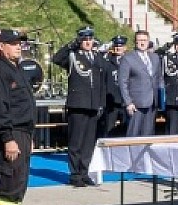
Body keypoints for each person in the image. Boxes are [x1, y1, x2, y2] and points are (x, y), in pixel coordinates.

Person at [0, 28, 37, 205]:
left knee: (19, 182)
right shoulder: (0, 71)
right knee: (9, 181)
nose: (19, 46)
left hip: (22, 133)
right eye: (13, 43)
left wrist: (28, 136)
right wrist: (8, 138)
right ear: (1, 46)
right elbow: (0, 109)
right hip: (11, 134)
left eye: (20, 43)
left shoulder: (16, 69)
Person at [53, 26, 105, 187]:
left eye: (90, 39)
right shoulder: (73, 56)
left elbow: (102, 83)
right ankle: (75, 174)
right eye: (84, 39)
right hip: (78, 105)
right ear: (80, 41)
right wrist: (70, 45)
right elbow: (56, 58)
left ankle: (84, 172)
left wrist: (101, 103)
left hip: (93, 105)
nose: (88, 42)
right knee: (76, 141)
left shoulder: (97, 57)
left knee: (89, 143)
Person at [118, 30, 162, 137]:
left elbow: (159, 78)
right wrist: (128, 102)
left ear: (148, 41)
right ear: (135, 42)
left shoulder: (155, 58)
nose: (142, 43)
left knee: (148, 136)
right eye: (139, 40)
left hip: (152, 103)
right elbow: (122, 82)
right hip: (136, 104)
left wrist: (160, 100)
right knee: (134, 135)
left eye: (144, 40)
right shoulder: (128, 58)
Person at [100, 35, 127, 137]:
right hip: (111, 101)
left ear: (125, 47)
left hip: (126, 101)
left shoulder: (129, 60)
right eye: (116, 46)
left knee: (126, 129)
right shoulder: (107, 60)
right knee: (109, 128)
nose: (118, 48)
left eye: (120, 46)